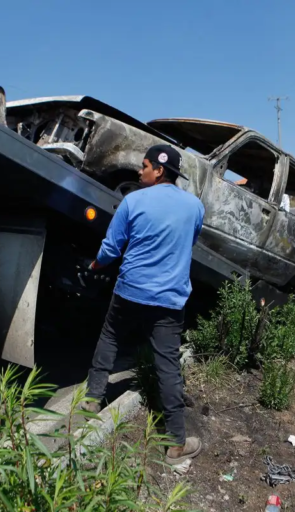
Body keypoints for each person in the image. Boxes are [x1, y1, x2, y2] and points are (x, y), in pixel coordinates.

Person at [80, 144, 205, 465]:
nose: (139, 171)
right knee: (167, 364)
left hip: (130, 291)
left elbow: (111, 248)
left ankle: (92, 400)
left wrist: (94, 266)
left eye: (144, 166)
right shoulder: (194, 207)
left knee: (109, 338)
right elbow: (187, 243)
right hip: (168, 300)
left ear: (159, 170)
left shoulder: (132, 201)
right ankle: (175, 443)